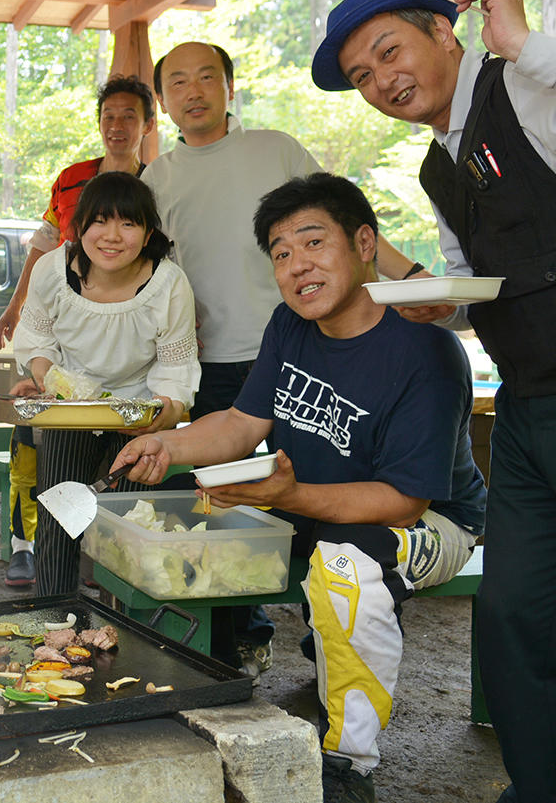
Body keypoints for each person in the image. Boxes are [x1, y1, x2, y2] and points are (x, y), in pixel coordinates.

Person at [313, 0, 556, 803]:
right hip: (529, 411)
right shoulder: (438, 161)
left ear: (444, 30)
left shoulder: (528, 81)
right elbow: (472, 279)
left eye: (389, 51)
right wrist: (438, 304)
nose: (382, 81)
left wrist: (531, 46)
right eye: (361, 75)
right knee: (514, 618)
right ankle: (541, 791)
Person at [112, 173, 487, 803]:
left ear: (365, 242)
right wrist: (168, 445)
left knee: (347, 564)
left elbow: (401, 501)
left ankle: (348, 764)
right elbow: (239, 423)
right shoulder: (290, 326)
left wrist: (282, 498)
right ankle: (177, 706)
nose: (296, 265)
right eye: (281, 254)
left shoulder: (426, 349)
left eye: (313, 243)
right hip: (313, 504)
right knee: (174, 531)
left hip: (427, 521)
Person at [143, 40, 420, 679]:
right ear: (164, 101)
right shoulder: (157, 180)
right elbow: (154, 276)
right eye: (177, 82)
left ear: (229, 87)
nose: (193, 91)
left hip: (304, 354)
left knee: (319, 491)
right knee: (224, 507)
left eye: (206, 77)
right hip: (214, 370)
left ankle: (332, 634)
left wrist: (411, 279)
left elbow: (346, 224)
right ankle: (238, 639)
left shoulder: (275, 148)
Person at [0, 74, 159, 587]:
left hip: (134, 355)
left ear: (148, 124)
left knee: (119, 483)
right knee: (57, 466)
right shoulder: (69, 179)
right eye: (109, 116)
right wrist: (17, 303)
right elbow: (44, 247)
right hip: (66, 354)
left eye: (129, 116)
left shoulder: (163, 180)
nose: (117, 126)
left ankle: (105, 580)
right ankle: (54, 587)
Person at [9, 171, 198, 596]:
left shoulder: (169, 285)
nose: (112, 236)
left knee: (127, 528)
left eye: (128, 223)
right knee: (59, 518)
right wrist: (48, 379)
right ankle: (51, 618)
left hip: (140, 412)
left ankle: (122, 632)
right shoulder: (52, 271)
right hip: (70, 409)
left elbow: (176, 368)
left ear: (149, 232)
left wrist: (160, 419)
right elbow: (37, 337)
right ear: (79, 227)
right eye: (100, 221)